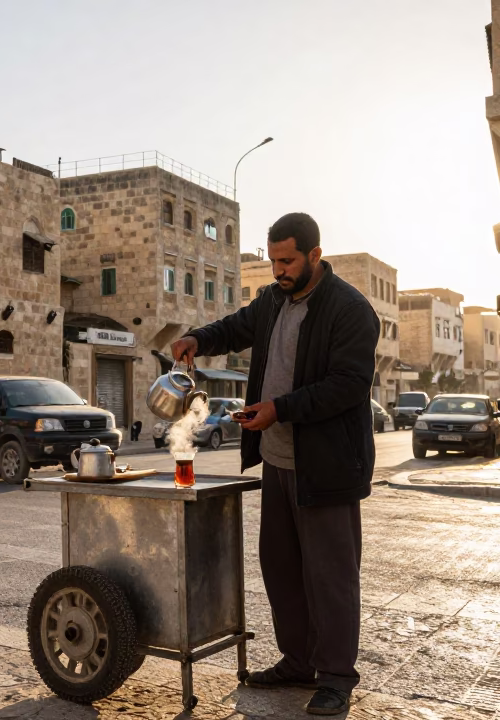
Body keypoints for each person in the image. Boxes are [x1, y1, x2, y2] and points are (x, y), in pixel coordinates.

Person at [171, 212, 378, 716]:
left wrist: (279, 409)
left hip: (326, 467)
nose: (278, 270)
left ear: (314, 255)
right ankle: (296, 661)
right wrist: (198, 338)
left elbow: (347, 386)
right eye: (272, 262)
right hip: (276, 461)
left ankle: (334, 677)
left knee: (329, 574)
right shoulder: (271, 300)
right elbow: (236, 326)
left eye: (287, 261)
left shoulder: (351, 310)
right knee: (281, 567)